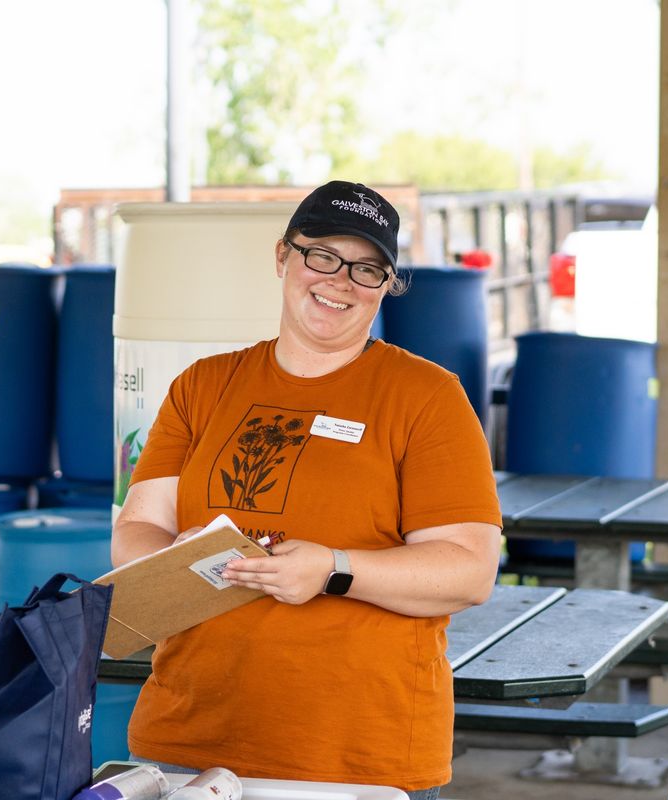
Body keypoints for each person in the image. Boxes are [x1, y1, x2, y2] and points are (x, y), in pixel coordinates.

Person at [111, 180, 503, 798]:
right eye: (321, 255)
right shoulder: (203, 386)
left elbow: (469, 571)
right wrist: (176, 558)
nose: (340, 280)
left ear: (386, 286)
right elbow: (135, 532)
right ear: (282, 257)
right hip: (187, 742)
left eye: (367, 269)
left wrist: (334, 570)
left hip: (357, 757)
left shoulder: (427, 397)